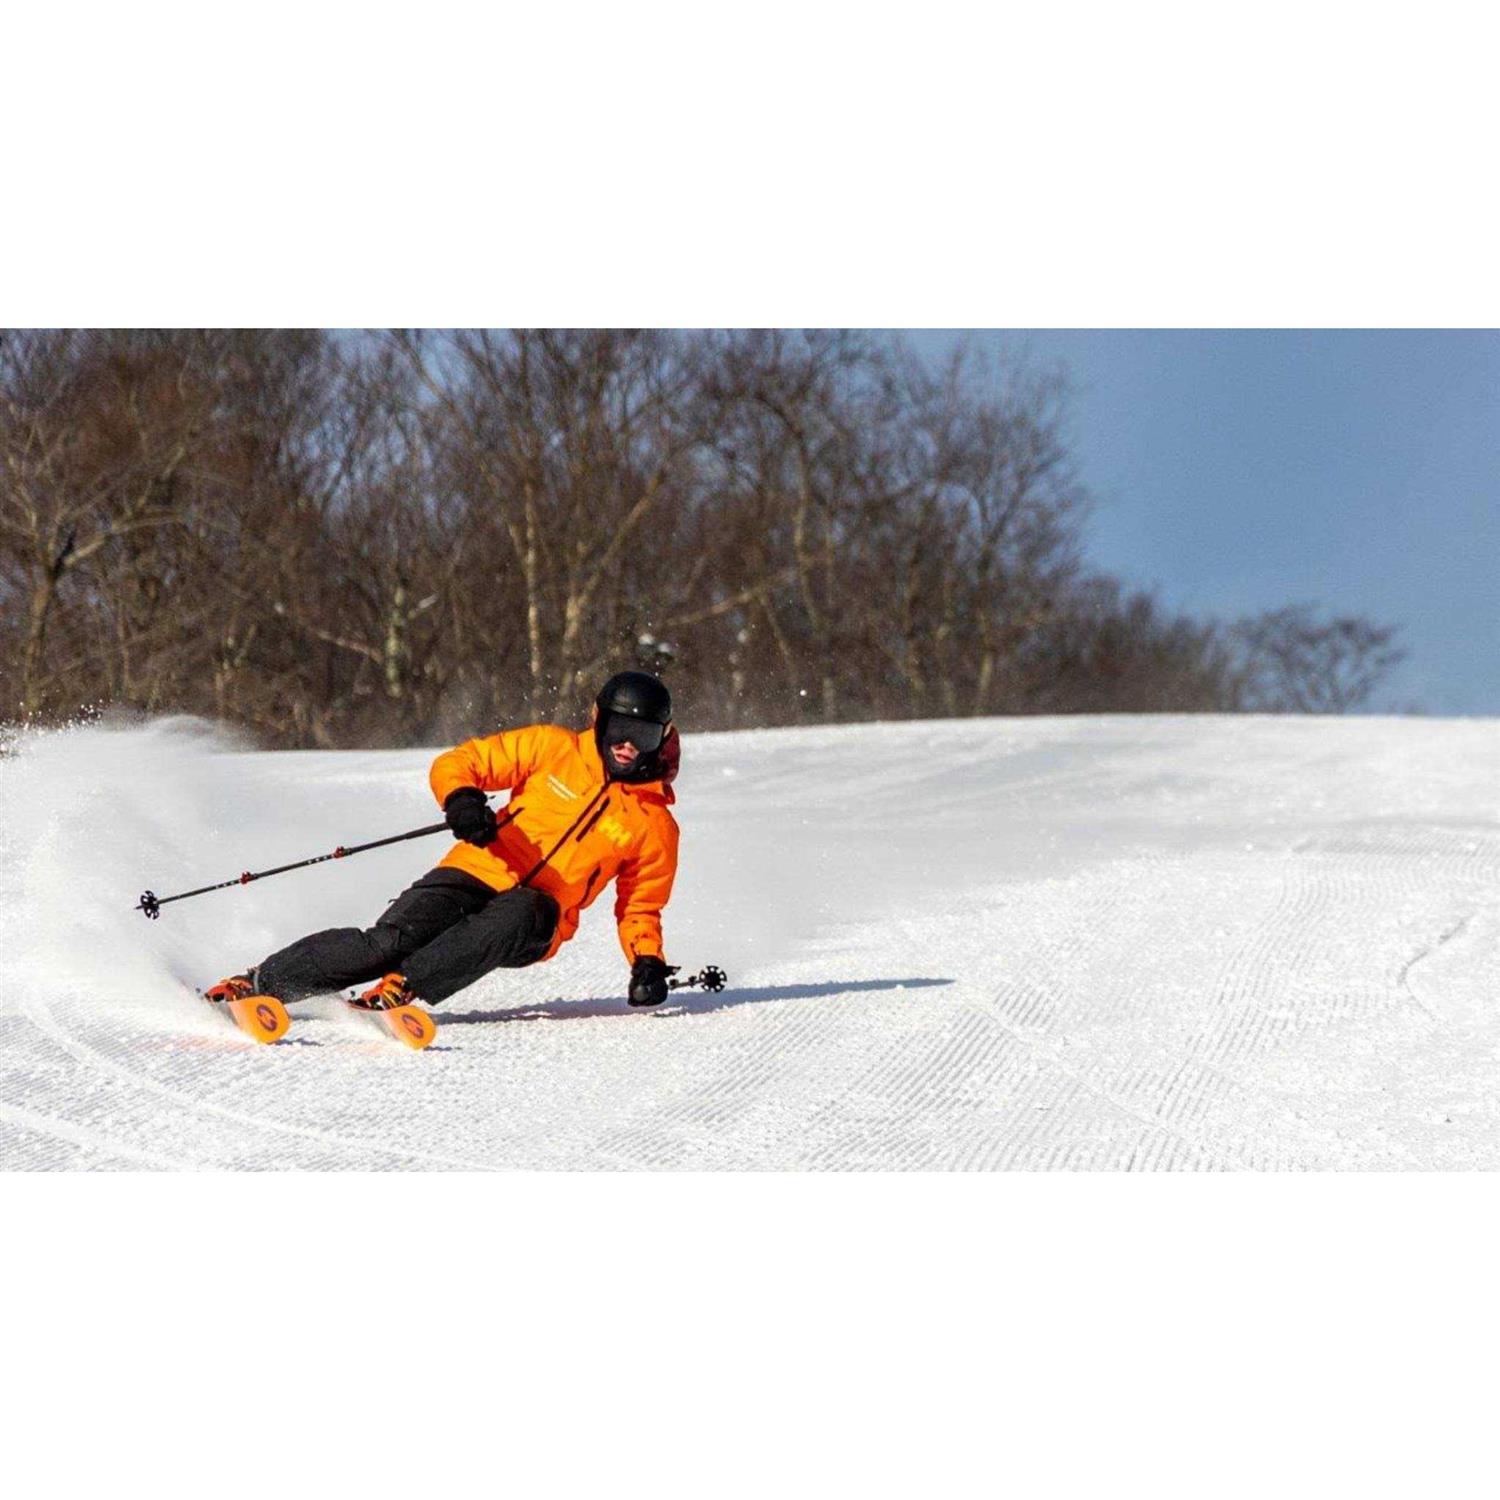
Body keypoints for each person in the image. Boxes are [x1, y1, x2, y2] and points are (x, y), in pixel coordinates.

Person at [205, 671, 681, 1015]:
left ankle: (402, 988)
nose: (627, 745)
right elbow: (461, 762)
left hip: (537, 919)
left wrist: (647, 961)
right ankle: (259, 983)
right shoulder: (552, 748)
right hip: (477, 867)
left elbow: (641, 906)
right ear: (598, 719)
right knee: (388, 942)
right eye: (620, 729)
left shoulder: (654, 824)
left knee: (525, 908)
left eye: (642, 735)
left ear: (661, 739)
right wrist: (462, 800)